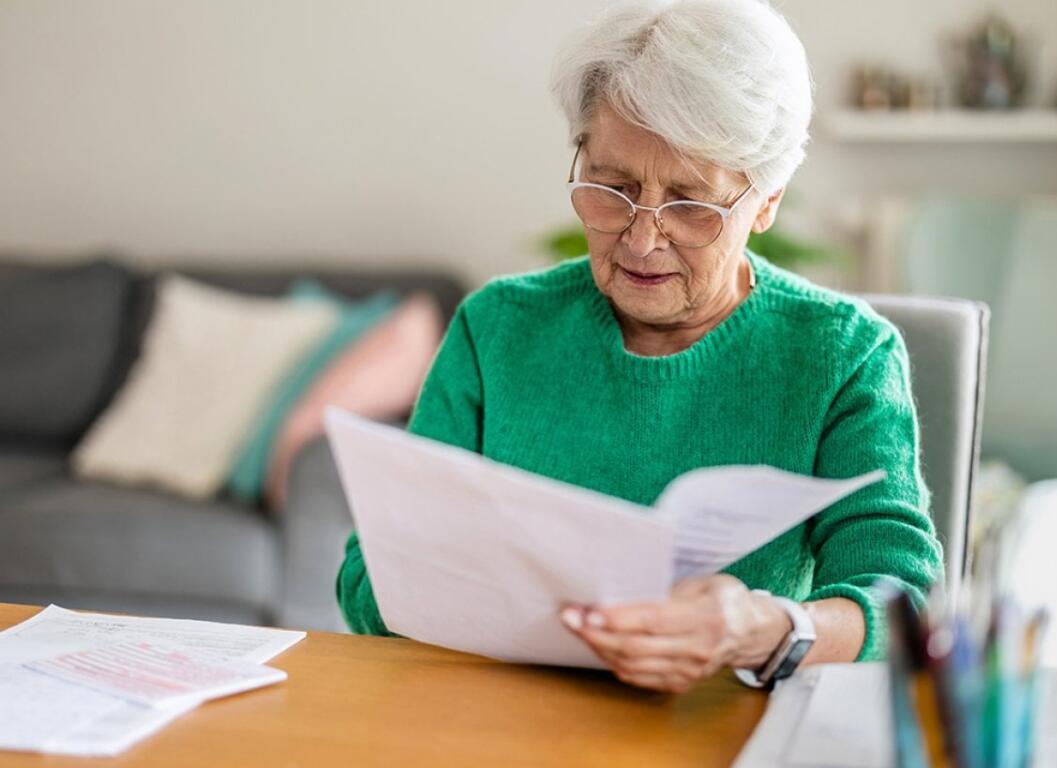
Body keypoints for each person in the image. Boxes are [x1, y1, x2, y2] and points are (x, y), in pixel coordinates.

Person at [338, 0, 941, 693]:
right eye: (613, 187)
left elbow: (905, 603)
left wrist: (762, 628)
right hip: (504, 723)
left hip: (723, 733)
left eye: (691, 203)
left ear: (767, 200)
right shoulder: (497, 329)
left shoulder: (844, 355)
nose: (642, 239)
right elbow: (366, 576)